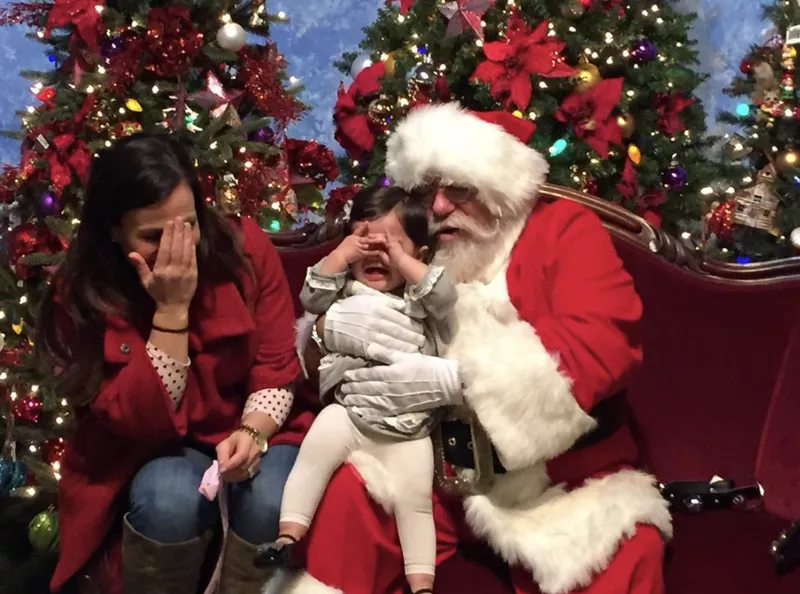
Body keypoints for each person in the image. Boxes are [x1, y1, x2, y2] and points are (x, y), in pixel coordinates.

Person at [271, 102, 672, 594]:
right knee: (349, 498)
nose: (438, 208)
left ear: (500, 189)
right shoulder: (411, 241)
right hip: (421, 469)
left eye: (459, 189)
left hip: (550, 488)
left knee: (627, 547)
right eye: (426, 191)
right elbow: (331, 328)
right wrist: (328, 339)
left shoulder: (564, 230)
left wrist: (457, 373)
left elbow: (604, 342)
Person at [37, 133, 303, 594]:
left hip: (253, 424)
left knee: (270, 499)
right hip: (150, 444)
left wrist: (253, 431)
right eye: (154, 236)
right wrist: (171, 313)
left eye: (188, 225)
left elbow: (275, 364)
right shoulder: (80, 293)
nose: (180, 248)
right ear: (113, 231)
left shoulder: (244, 251)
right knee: (169, 499)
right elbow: (137, 419)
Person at [256, 186, 457, 594]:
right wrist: (343, 253)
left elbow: (444, 294)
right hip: (349, 414)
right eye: (363, 240)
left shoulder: (417, 299)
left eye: (391, 243)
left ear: (420, 254)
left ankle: (422, 585)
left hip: (408, 428)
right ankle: (287, 536)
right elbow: (311, 294)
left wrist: (401, 258)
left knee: (414, 501)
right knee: (312, 457)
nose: (375, 252)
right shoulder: (343, 289)